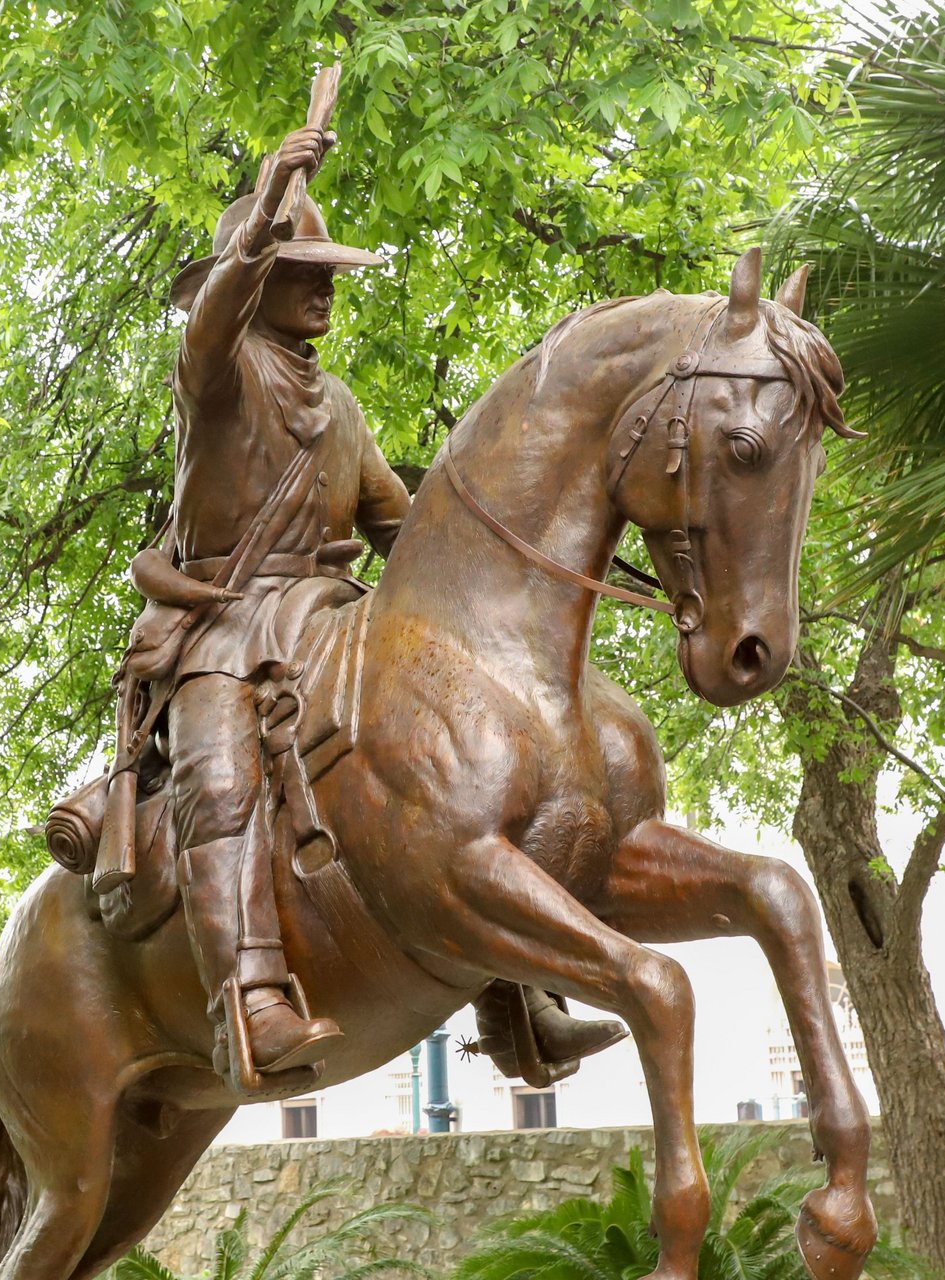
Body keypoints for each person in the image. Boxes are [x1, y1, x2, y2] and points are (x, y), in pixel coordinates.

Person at [163, 124, 623, 1090]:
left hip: (329, 617)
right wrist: (270, 202)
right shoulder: (216, 377)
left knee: (452, 746)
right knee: (218, 781)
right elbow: (210, 325)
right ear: (257, 284)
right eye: (303, 268)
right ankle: (247, 1003)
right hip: (230, 628)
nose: (325, 284)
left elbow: (397, 529)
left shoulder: (341, 404)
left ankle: (520, 1000)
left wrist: (501, 581)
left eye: (329, 268)